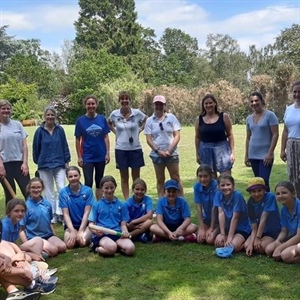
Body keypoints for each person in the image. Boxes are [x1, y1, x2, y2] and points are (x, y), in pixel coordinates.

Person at [32, 105, 71, 224]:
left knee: (62, 189)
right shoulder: (39, 131)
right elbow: (36, 148)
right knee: (48, 191)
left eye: (52, 115)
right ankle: (52, 214)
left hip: (59, 164)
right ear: (45, 116)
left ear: (55, 116)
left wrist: (67, 161)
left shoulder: (60, 130)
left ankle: (61, 214)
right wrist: (38, 161)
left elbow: (65, 145)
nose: (50, 117)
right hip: (45, 165)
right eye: (48, 115)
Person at [108, 91, 147, 199]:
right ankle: (127, 201)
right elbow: (109, 123)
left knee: (136, 177)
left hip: (135, 148)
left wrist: (139, 130)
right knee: (124, 177)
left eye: (127, 98)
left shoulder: (137, 113)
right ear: (119, 101)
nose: (124, 101)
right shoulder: (115, 114)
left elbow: (147, 120)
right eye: (122, 99)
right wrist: (116, 132)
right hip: (121, 149)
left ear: (130, 100)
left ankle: (137, 198)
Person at [144, 95, 183, 197]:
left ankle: (181, 202)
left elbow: (177, 135)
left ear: (164, 105)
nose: (158, 106)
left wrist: (169, 151)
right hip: (157, 155)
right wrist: (158, 151)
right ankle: (162, 203)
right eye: (156, 104)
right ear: (154, 105)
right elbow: (148, 139)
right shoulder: (149, 121)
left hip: (172, 153)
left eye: (161, 104)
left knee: (176, 178)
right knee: (160, 179)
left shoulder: (171, 118)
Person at [88, 176, 135, 256]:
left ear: (115, 187)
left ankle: (114, 248)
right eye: (106, 188)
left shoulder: (122, 205)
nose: (109, 190)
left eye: (111, 188)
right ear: (102, 189)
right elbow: (90, 225)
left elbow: (123, 224)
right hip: (103, 235)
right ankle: (96, 248)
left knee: (130, 249)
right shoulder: (97, 205)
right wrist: (96, 232)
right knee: (112, 248)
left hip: (117, 234)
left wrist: (125, 231)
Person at [19, 178, 66, 258]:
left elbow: (49, 221)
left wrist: (54, 233)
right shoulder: (26, 207)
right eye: (33, 187)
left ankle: (43, 250)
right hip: (35, 238)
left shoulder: (47, 204)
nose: (36, 190)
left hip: (48, 235)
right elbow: (21, 229)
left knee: (62, 247)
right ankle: (34, 250)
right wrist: (27, 245)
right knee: (54, 250)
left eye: (38, 187)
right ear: (29, 189)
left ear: (42, 188)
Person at [75, 95, 110, 200]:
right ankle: (88, 205)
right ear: (85, 105)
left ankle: (98, 204)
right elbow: (77, 139)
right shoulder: (80, 121)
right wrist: (79, 157)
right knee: (88, 181)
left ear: (96, 105)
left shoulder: (102, 119)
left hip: (100, 155)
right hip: (87, 156)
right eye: (88, 104)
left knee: (99, 181)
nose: (91, 106)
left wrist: (108, 152)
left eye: (93, 103)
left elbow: (106, 136)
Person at [244, 92, 279, 191]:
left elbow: (275, 134)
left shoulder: (270, 115)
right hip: (253, 155)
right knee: (258, 183)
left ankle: (269, 204)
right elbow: (248, 138)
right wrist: (246, 156)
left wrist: (270, 153)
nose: (254, 103)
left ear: (262, 101)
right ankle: (261, 205)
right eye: (251, 101)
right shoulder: (249, 119)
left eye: (256, 100)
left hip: (265, 156)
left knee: (264, 181)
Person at [195, 94, 235, 177]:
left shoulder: (223, 116)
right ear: (203, 105)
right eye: (206, 103)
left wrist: (232, 153)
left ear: (215, 104)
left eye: (210, 103)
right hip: (205, 151)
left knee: (225, 178)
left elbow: (230, 135)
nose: (208, 105)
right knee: (210, 179)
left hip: (222, 150)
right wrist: (197, 153)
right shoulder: (199, 119)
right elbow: (197, 137)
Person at [0, 100, 30, 204]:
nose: (6, 110)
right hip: (4, 164)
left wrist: (25, 163)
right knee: (10, 194)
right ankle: (11, 218)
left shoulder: (17, 125)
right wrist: (0, 166)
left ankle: (32, 215)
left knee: (28, 190)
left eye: (8, 108)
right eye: (3, 108)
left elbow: (24, 146)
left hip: (20, 163)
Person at [244, 177, 281, 256]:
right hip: (259, 231)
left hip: (272, 231)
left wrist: (257, 238)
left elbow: (263, 218)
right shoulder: (250, 203)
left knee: (261, 247)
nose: (257, 194)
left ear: (264, 190)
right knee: (247, 245)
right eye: (253, 191)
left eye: (259, 190)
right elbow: (254, 227)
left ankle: (278, 241)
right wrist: (251, 244)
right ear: (250, 193)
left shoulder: (270, 197)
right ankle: (261, 241)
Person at [59, 166, 94, 249]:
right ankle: (74, 233)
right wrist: (72, 231)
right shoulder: (63, 192)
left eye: (75, 175)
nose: (73, 178)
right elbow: (66, 214)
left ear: (80, 176)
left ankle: (87, 235)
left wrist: (81, 230)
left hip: (86, 225)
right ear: (67, 178)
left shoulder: (88, 191)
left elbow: (87, 213)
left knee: (82, 243)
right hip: (71, 226)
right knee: (69, 245)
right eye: (70, 176)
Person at [214, 174, 251, 252]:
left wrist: (230, 237)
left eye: (228, 184)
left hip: (241, 228)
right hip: (228, 228)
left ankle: (245, 242)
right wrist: (223, 234)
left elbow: (235, 217)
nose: (225, 187)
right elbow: (221, 214)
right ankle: (231, 238)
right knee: (218, 243)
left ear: (233, 186)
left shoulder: (237, 195)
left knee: (231, 246)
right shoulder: (218, 194)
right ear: (218, 186)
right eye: (222, 185)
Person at [265, 181, 300, 263]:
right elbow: (284, 230)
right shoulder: (284, 210)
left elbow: (299, 236)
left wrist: (279, 248)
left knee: (285, 256)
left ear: (293, 194)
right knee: (269, 249)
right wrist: (278, 240)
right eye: (278, 193)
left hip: (298, 237)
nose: (280, 196)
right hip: (296, 239)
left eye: (284, 193)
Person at [280, 81, 300, 198]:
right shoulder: (289, 109)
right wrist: (283, 149)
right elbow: (286, 130)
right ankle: (296, 204)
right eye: (295, 92)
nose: (297, 94)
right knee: (293, 177)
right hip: (291, 146)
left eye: (299, 92)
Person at [194, 164, 219, 244]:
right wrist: (201, 228)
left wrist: (211, 228)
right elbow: (199, 207)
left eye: (205, 176)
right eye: (200, 176)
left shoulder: (216, 185)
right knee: (200, 239)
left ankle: (219, 229)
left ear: (211, 176)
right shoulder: (197, 186)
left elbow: (215, 208)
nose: (203, 179)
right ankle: (205, 229)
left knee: (209, 240)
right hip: (208, 218)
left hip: (219, 218)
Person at [125, 178, 153, 243]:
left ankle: (131, 235)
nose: (139, 192)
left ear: (145, 190)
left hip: (141, 223)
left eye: (142, 190)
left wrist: (134, 221)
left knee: (149, 222)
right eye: (137, 189)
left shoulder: (148, 200)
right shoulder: (128, 203)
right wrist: (130, 224)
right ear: (133, 190)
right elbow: (124, 218)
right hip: (130, 225)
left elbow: (149, 215)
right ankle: (140, 235)